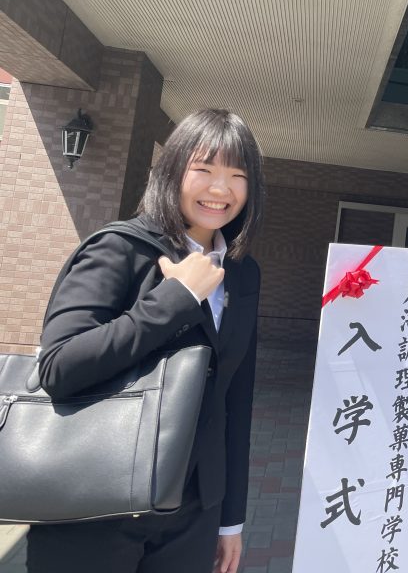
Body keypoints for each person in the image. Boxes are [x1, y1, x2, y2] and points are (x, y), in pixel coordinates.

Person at [27, 109, 266, 573]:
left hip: (192, 508)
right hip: (95, 500)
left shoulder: (241, 272)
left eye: (237, 176)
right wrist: (176, 298)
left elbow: (235, 397)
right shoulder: (120, 248)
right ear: (173, 170)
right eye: (204, 170)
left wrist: (230, 520)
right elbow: (59, 367)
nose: (220, 190)